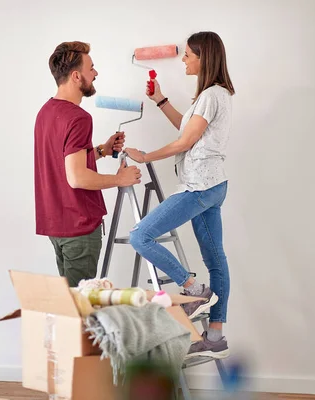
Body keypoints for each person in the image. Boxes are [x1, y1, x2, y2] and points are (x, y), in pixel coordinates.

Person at [124, 31, 235, 359]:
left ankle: (193, 290)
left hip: (199, 187)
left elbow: (184, 143)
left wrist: (145, 157)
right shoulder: (214, 95)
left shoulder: (212, 95)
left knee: (140, 235)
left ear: (204, 58)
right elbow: (185, 131)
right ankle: (215, 335)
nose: (184, 59)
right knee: (216, 260)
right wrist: (160, 100)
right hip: (212, 186)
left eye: (188, 54)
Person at [34, 41, 142, 287]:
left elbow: (63, 164)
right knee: (81, 309)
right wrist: (119, 179)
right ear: (75, 75)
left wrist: (102, 150)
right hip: (78, 226)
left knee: (71, 301)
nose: (95, 73)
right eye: (91, 68)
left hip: (56, 225)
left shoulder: (45, 113)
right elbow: (77, 177)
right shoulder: (79, 117)